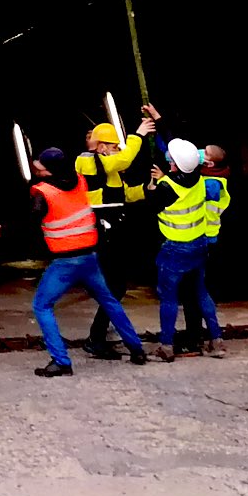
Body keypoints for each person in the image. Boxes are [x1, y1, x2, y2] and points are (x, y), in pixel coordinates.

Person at [27, 148, 146, 377]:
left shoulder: (42, 192)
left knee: (42, 306)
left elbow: (31, 220)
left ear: (47, 169)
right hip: (89, 256)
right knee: (109, 300)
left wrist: (2, 230)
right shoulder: (79, 180)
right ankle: (136, 348)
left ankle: (61, 360)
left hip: (65, 261)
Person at [144, 138, 233, 361]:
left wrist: (153, 185)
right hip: (198, 245)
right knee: (202, 293)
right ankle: (217, 340)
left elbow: (150, 204)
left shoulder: (167, 186)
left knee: (169, 298)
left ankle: (166, 347)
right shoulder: (202, 180)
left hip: (174, 249)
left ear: (173, 164)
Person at [78, 106, 156, 360]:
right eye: (113, 147)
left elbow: (123, 195)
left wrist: (148, 188)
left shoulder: (109, 168)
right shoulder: (87, 161)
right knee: (113, 287)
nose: (117, 152)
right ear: (102, 146)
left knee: (114, 287)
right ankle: (97, 338)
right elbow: (121, 161)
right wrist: (139, 135)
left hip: (112, 231)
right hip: (99, 232)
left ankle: (97, 336)